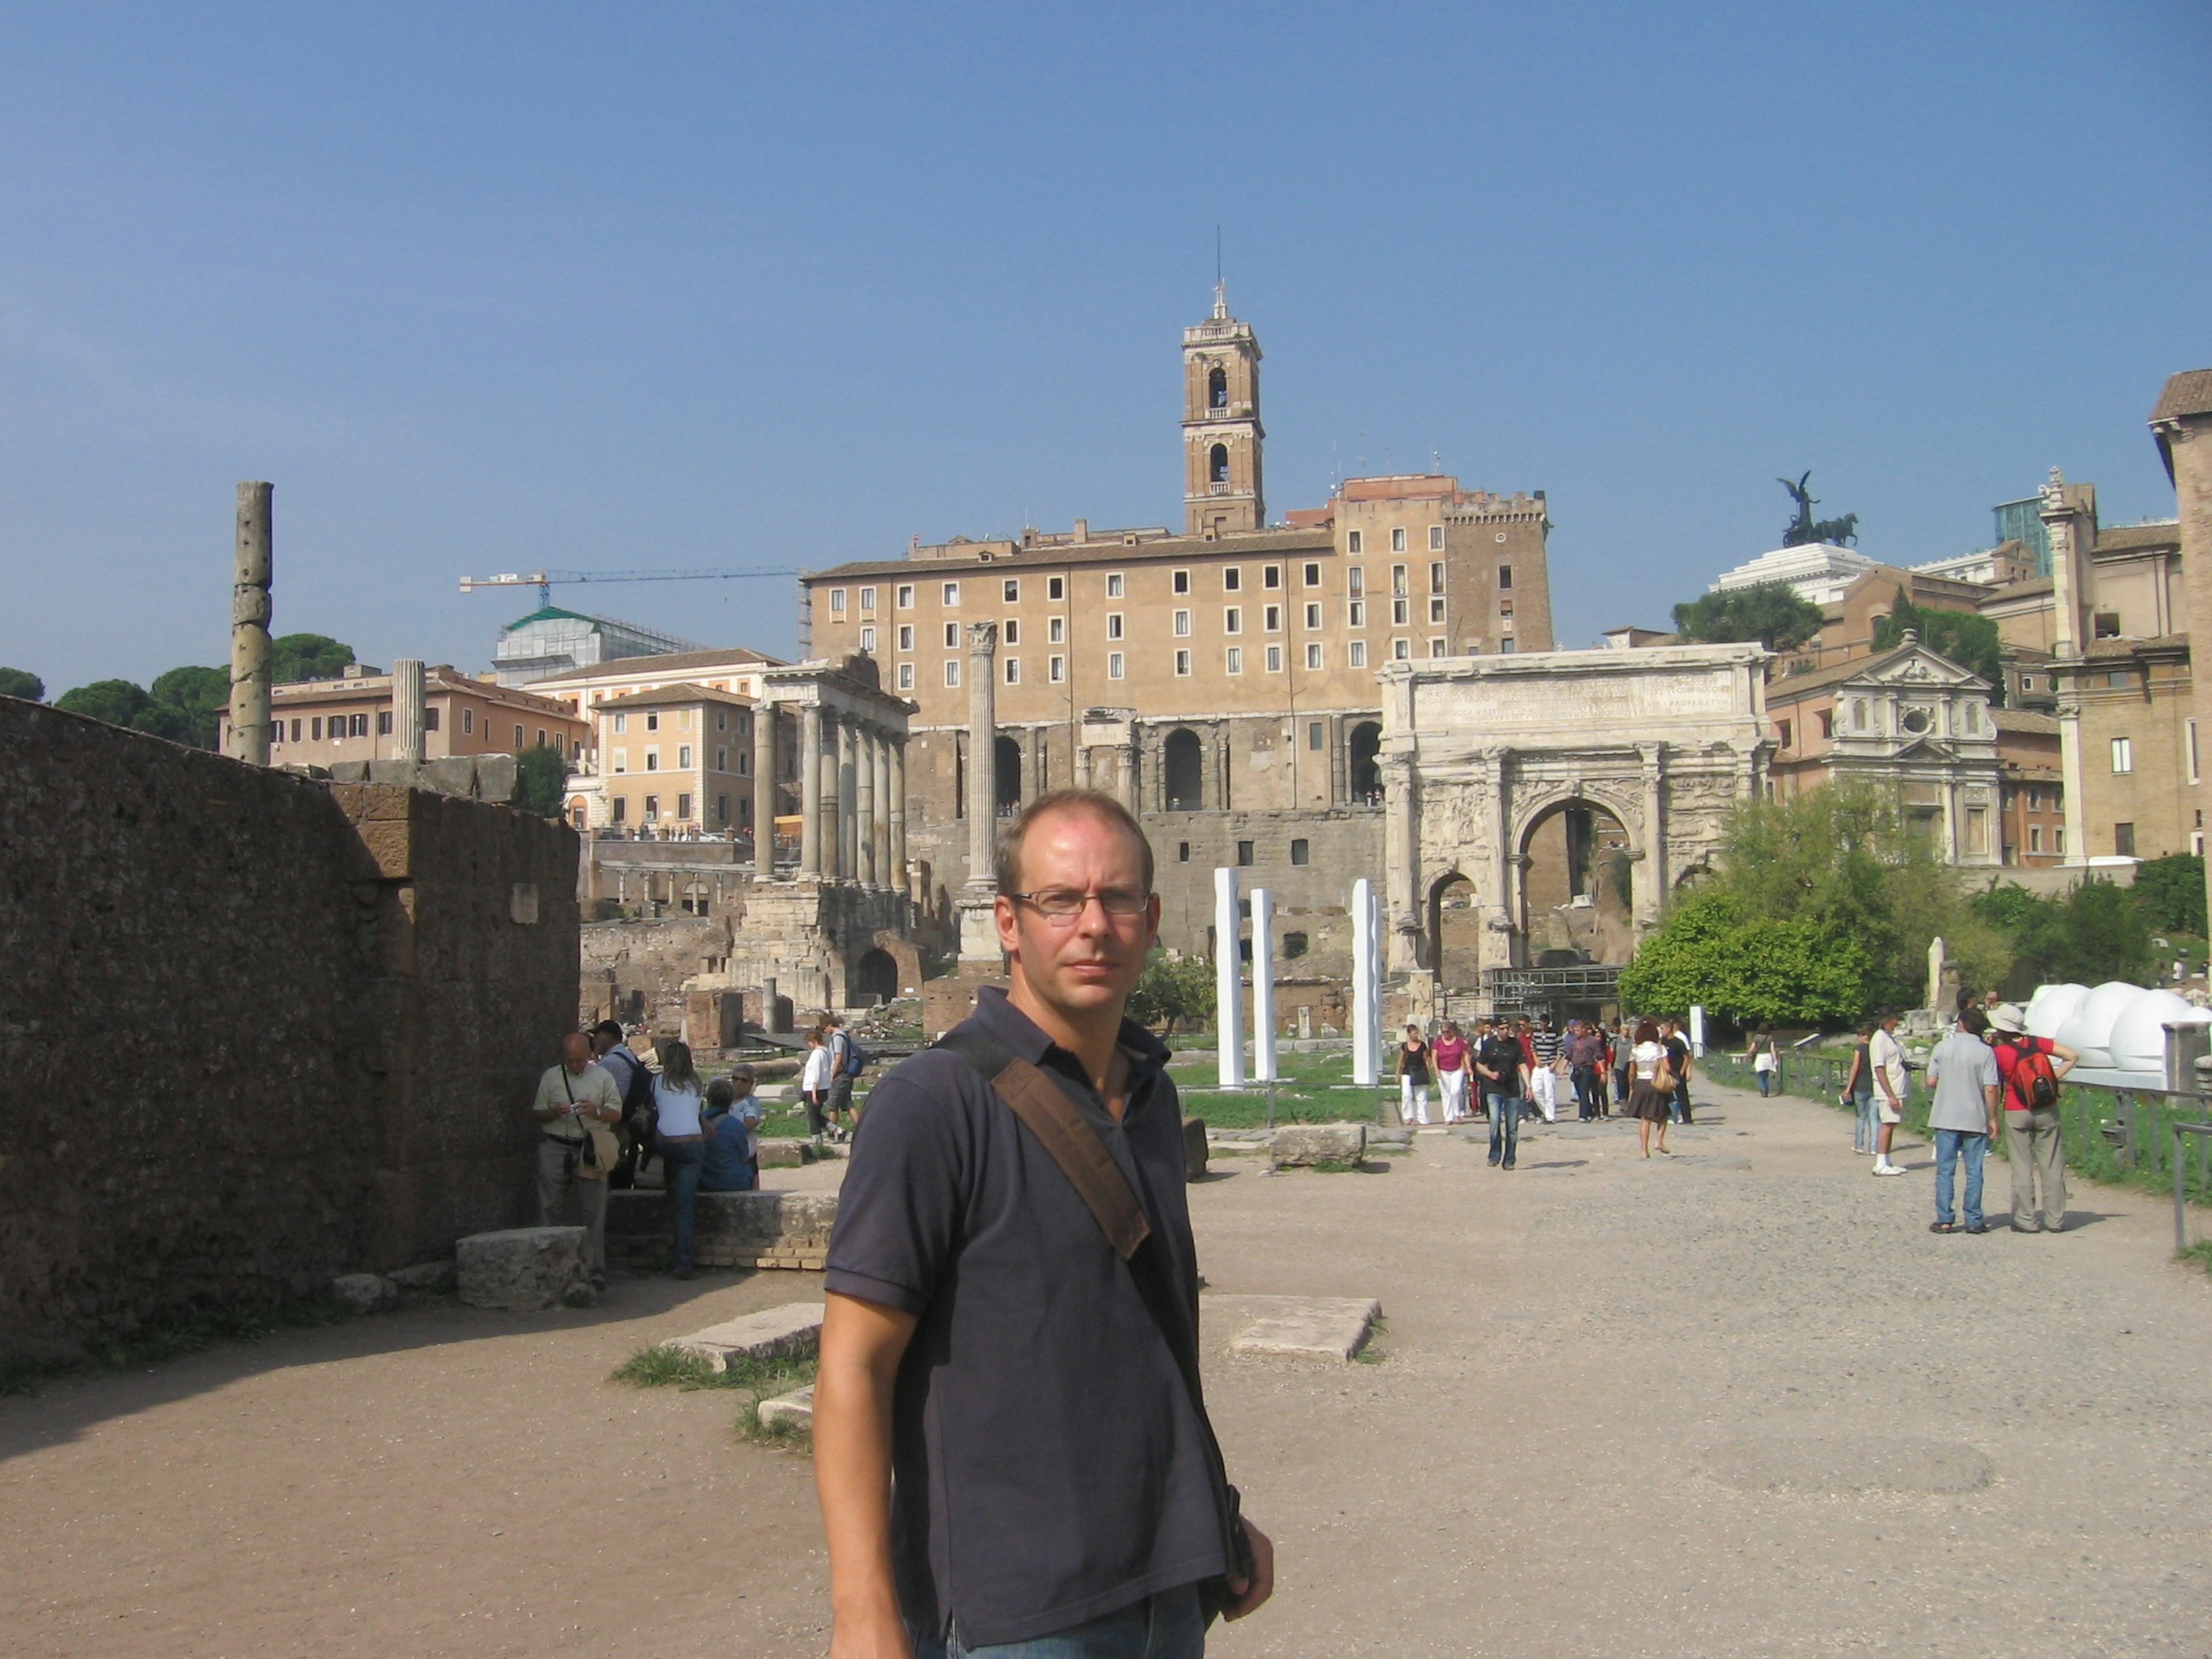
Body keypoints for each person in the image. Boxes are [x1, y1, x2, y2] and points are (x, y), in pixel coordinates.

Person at [815, 789, 1272, 1657]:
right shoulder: (931, 1104)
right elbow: (852, 1365)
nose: (1093, 925)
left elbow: (1141, 1338)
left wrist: (1217, 1510)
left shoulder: (1150, 1093)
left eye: (1118, 899)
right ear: (1009, 923)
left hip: (1170, 1592)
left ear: (1153, 918)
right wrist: (863, 1612)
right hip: (1018, 1611)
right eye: (1061, 900)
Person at [532, 1031, 623, 1289]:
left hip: (589, 1147)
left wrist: (595, 1111)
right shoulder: (551, 1077)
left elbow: (616, 1113)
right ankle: (547, 1267)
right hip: (557, 1144)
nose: (575, 1066)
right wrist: (553, 1112)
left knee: (593, 1211)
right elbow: (537, 1113)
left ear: (590, 1055)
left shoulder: (603, 1078)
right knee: (549, 1207)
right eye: (571, 1061)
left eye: (580, 1060)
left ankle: (595, 1269)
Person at [1986, 1002, 2078, 1234]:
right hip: (2046, 1107)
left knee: (2022, 1166)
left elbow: (1994, 1085)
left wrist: (1992, 1116)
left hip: (2017, 1109)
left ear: (2000, 1029)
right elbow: (2072, 1055)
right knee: (2052, 1165)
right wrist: (2052, 1079)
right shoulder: (2038, 1043)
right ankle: (2055, 1219)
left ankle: (2026, 1219)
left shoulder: (1999, 1053)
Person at [1924, 1007, 2002, 1234]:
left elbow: (1931, 1081)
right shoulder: (1986, 1052)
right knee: (1975, 1170)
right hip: (1974, 1116)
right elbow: (1990, 1088)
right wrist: (1993, 1117)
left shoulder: (1943, 1048)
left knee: (1945, 1169)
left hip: (1946, 1115)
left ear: (1961, 1024)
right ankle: (1974, 1219)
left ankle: (1945, 1218)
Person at [590, 1019, 656, 1184]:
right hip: (630, 1116)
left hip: (615, 1119)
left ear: (607, 1037)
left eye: (597, 1037)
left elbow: (593, 1091)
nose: (595, 1041)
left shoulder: (609, 1062)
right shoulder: (629, 1056)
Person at [1475, 1016, 1528, 1169]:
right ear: (1496, 1029)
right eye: (1502, 1028)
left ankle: (1510, 1159)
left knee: (1512, 1127)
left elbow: (1522, 1065)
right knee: (1495, 1121)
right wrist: (1490, 1074)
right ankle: (1494, 1154)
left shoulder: (1515, 1044)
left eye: (1507, 1028)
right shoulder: (1489, 1044)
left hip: (1511, 1088)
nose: (1505, 1031)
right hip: (1493, 1087)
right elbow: (1479, 1064)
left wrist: (1528, 1086)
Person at [700, 1069, 764, 1193]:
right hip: (735, 1178)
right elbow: (743, 1155)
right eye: (736, 1079)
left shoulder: (699, 1121)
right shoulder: (736, 1126)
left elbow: (751, 1121)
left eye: (743, 1080)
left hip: (705, 1179)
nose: (739, 1083)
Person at [1869, 1010, 1911, 1176]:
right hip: (1889, 1090)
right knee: (1887, 1124)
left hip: (1897, 1088)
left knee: (1892, 1124)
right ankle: (1880, 1162)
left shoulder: (1889, 1037)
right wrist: (1890, 1095)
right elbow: (1879, 1068)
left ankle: (1886, 1160)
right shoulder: (1879, 1038)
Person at [1624, 1018, 1673, 1158]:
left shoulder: (1636, 1050)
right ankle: (1659, 1141)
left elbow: (1632, 1072)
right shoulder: (1660, 1049)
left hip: (1642, 1083)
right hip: (1657, 1083)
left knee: (1645, 1119)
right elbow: (1668, 1068)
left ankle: (1644, 1150)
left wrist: (1632, 1086)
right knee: (1663, 1114)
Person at [821, 1012, 858, 1141]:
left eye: (824, 1028)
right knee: (847, 1104)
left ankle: (833, 1132)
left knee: (833, 1104)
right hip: (846, 1074)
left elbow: (838, 1057)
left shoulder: (838, 1037)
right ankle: (860, 1128)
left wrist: (832, 1074)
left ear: (830, 1025)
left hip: (840, 1075)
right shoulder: (844, 1036)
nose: (825, 1032)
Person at [1843, 1021, 1877, 1156]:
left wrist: (1848, 1088)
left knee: (1861, 1117)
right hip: (1874, 1086)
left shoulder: (1859, 1049)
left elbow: (1855, 1067)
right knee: (1874, 1118)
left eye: (1859, 1034)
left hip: (1860, 1086)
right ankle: (1874, 1147)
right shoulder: (1876, 1048)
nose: (1857, 1037)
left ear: (1864, 1035)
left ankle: (1859, 1145)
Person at [1567, 1020, 1608, 1121]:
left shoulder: (1592, 1041)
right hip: (1576, 1068)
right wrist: (1563, 1068)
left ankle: (1583, 1116)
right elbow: (1569, 1055)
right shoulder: (1573, 1041)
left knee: (1584, 1091)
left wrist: (1603, 1072)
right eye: (1575, 1031)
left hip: (1587, 1068)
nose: (1575, 1032)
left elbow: (1599, 1057)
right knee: (1580, 1093)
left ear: (1583, 1030)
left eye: (1577, 1030)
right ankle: (1589, 1110)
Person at [1394, 1024, 1434, 1126]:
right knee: (1407, 1094)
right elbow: (1401, 1060)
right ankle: (1408, 1117)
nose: (1416, 1035)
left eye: (1417, 1033)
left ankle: (1423, 1118)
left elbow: (1426, 1059)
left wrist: (1428, 1072)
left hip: (1420, 1071)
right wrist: (1397, 1074)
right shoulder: (1405, 1046)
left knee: (1421, 1096)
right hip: (1408, 1071)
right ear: (1409, 1034)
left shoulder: (1423, 1045)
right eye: (1414, 1033)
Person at [1431, 1021, 1471, 1123]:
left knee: (1456, 1091)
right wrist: (1436, 1070)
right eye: (1443, 1032)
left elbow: (1465, 1054)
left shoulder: (1459, 1041)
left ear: (1452, 1031)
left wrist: (1468, 1066)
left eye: (1447, 1032)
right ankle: (1448, 1117)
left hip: (1457, 1069)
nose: (1445, 1034)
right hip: (1443, 1070)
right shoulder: (1438, 1042)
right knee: (1446, 1094)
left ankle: (1457, 1112)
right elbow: (1434, 1056)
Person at [800, 1029, 834, 1141]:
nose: (809, 1045)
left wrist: (814, 1092)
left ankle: (817, 1139)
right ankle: (835, 1129)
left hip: (815, 1088)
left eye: (809, 1042)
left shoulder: (817, 1054)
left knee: (812, 1116)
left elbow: (816, 1073)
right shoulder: (827, 1052)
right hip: (824, 1087)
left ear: (813, 1041)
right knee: (816, 1114)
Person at [1528, 1016, 1564, 1123]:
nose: (1543, 1025)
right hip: (1539, 1066)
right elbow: (1533, 1047)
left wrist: (1555, 1063)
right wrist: (1536, 1059)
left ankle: (1551, 1117)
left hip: (1549, 1066)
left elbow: (1561, 1049)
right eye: (1541, 1023)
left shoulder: (1555, 1034)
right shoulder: (1536, 1034)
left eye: (1545, 1023)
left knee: (1549, 1092)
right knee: (1536, 1090)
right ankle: (1545, 1112)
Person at [1661, 1018, 1695, 1126]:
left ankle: (1687, 1119)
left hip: (1677, 1071)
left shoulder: (1678, 1042)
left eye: (1662, 1029)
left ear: (1669, 1029)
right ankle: (1668, 1116)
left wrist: (1683, 1071)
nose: (1661, 1031)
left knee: (1682, 1096)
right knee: (1666, 1095)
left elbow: (1686, 1057)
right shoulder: (1662, 1041)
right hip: (1666, 1072)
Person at [1748, 1029, 1778, 1097]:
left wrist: (1748, 1054)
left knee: (1760, 1075)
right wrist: (1775, 1058)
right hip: (1768, 1057)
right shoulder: (1770, 1037)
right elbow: (1772, 1049)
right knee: (1766, 1075)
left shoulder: (1757, 1037)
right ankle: (1766, 1090)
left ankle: (1763, 1089)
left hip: (1760, 1057)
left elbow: (1752, 1048)